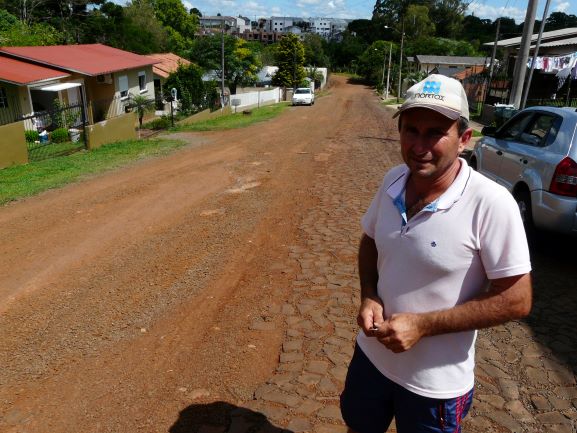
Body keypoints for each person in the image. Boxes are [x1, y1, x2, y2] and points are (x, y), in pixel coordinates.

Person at [340, 74, 532, 433]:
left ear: (464, 138)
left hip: (434, 386)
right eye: (411, 130)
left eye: (434, 133)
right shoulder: (393, 180)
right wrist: (369, 294)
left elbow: (517, 300)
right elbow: (370, 240)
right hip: (371, 358)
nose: (419, 146)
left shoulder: (490, 203)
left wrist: (424, 325)